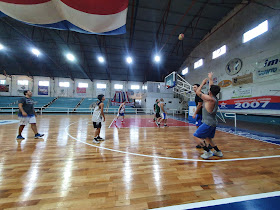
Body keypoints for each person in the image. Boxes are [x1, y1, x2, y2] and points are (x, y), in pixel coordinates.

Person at [193, 72, 223, 159]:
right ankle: (218, 151)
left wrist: (202, 83)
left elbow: (198, 92)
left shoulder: (208, 99)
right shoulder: (214, 98)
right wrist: (210, 78)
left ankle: (208, 152)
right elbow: (211, 87)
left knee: (196, 136)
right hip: (213, 122)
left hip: (208, 123)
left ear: (210, 92)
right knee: (208, 138)